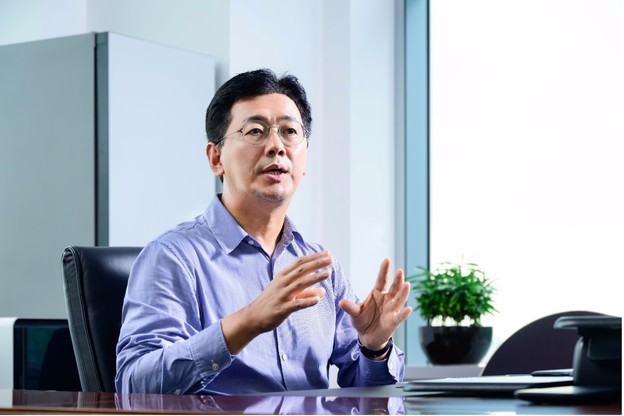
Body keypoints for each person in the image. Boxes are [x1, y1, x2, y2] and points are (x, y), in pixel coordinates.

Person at [115, 68, 412, 395]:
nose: (276, 146)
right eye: (255, 131)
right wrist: (246, 322)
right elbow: (134, 383)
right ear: (216, 158)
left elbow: (370, 396)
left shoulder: (320, 269)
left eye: (289, 131)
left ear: (304, 158)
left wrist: (374, 347)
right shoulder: (173, 257)